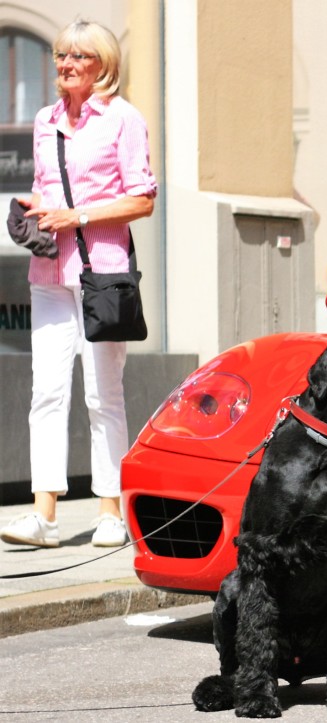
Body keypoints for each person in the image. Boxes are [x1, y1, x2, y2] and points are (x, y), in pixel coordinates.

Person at [0, 20, 156, 548]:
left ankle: (110, 511)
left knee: (101, 393)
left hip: (102, 274)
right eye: (60, 54)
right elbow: (51, 189)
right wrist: (37, 208)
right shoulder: (45, 120)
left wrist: (77, 215)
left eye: (78, 56)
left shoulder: (123, 119)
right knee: (46, 392)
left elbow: (142, 199)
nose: (65, 63)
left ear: (103, 65)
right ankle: (44, 516)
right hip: (48, 272)